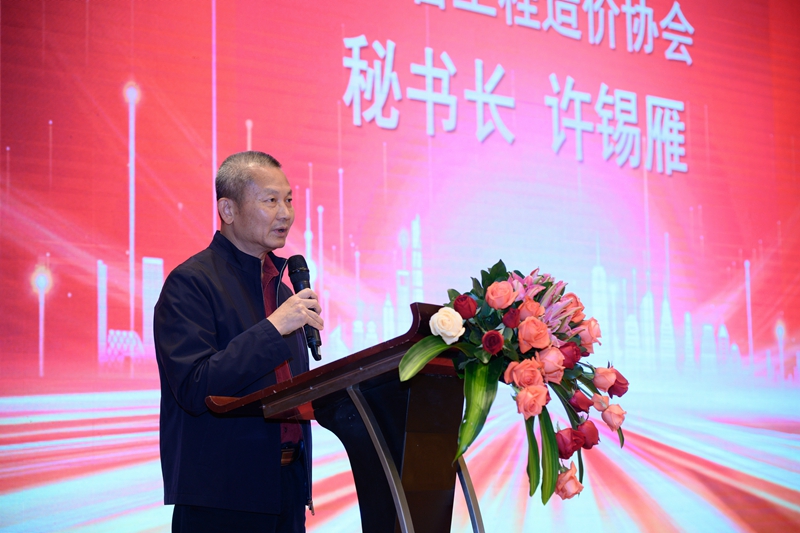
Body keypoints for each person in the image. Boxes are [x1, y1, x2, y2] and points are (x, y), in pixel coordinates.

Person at [154, 151, 324, 533]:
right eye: (271, 200)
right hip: (222, 499)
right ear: (227, 210)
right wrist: (273, 329)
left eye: (289, 200)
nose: (285, 213)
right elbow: (195, 386)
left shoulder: (282, 292)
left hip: (287, 488)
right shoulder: (191, 283)